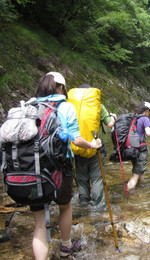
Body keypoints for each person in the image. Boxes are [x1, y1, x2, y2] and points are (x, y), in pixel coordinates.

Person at [32, 72, 102, 259]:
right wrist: (92, 145)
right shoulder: (65, 107)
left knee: (39, 224)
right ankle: (65, 246)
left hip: (32, 169)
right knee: (64, 206)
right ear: (61, 87)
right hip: (59, 167)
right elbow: (77, 140)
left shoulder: (30, 105)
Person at [73, 84, 116, 211]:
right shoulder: (98, 105)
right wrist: (113, 116)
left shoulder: (72, 106)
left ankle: (84, 203)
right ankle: (98, 207)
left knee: (81, 178)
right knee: (97, 179)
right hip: (96, 147)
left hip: (78, 146)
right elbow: (109, 124)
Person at [127, 102, 150, 191]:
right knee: (136, 174)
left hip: (131, 148)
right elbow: (148, 133)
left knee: (140, 170)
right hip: (140, 149)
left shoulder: (132, 117)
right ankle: (128, 193)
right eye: (149, 113)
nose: (149, 115)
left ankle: (141, 189)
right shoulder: (144, 119)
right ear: (147, 111)